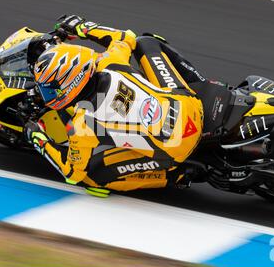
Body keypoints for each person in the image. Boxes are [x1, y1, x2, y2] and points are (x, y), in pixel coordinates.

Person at [24, 15, 204, 197]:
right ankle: (202, 84)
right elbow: (126, 37)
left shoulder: (82, 124)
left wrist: (39, 140)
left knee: (92, 178)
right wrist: (84, 28)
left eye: (51, 89)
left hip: (177, 147)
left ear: (71, 80)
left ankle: (174, 176)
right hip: (190, 105)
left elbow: (72, 173)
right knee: (146, 42)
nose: (48, 95)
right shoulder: (109, 62)